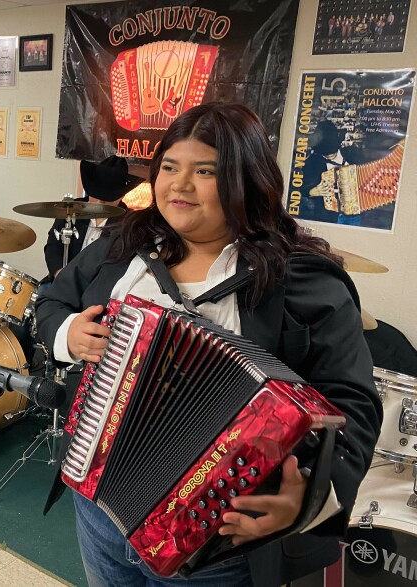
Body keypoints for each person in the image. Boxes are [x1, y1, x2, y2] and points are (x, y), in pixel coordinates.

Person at [36, 103, 382, 587]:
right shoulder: (123, 244)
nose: (179, 185)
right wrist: (66, 334)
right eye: (169, 168)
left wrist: (304, 495)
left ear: (247, 180)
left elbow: (354, 405)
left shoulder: (302, 280)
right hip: (99, 506)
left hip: (214, 546)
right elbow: (51, 300)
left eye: (205, 171)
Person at [40, 155, 143, 292]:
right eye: (96, 196)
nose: (100, 203)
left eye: (107, 199)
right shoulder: (70, 209)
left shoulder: (130, 223)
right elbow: (53, 247)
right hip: (64, 280)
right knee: (42, 297)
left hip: (101, 290)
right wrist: (59, 274)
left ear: (122, 195)